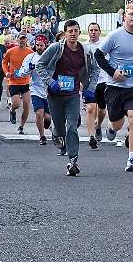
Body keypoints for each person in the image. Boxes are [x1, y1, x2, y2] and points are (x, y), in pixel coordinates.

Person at [35, 20, 102, 176]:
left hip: (72, 94)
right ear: (65, 33)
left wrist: (90, 88)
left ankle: (73, 161)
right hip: (55, 94)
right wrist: (51, 82)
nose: (73, 34)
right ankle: (55, 132)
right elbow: (40, 66)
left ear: (79, 32)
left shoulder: (85, 51)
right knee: (60, 128)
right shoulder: (55, 48)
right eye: (70, 31)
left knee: (72, 126)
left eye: (76, 31)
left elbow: (95, 69)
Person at [96, 4, 133, 170]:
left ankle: (132, 159)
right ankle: (111, 127)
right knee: (117, 124)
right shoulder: (114, 36)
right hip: (115, 87)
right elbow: (98, 55)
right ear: (124, 17)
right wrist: (113, 72)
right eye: (130, 14)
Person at [16, 34, 51, 144]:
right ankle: (42, 136)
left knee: (48, 118)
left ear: (46, 46)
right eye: (37, 45)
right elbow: (21, 73)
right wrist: (29, 68)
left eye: (41, 45)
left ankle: (47, 122)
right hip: (35, 89)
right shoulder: (30, 57)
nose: (39, 47)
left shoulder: (50, 56)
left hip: (49, 90)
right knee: (39, 113)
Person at [3, 33, 34, 134]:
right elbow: (4, 62)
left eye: (24, 39)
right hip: (13, 81)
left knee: (26, 105)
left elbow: (35, 63)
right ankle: (12, 111)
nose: (22, 41)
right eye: (20, 39)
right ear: (17, 40)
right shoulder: (11, 51)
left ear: (26, 41)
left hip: (25, 81)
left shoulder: (30, 52)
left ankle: (21, 126)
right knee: (16, 104)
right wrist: (7, 72)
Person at [82, 22, 106, 149]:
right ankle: (91, 137)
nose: (93, 32)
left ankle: (98, 125)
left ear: (99, 32)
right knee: (90, 109)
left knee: (102, 111)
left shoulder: (104, 45)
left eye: (95, 30)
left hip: (103, 81)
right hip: (89, 82)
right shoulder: (84, 46)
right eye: (91, 30)